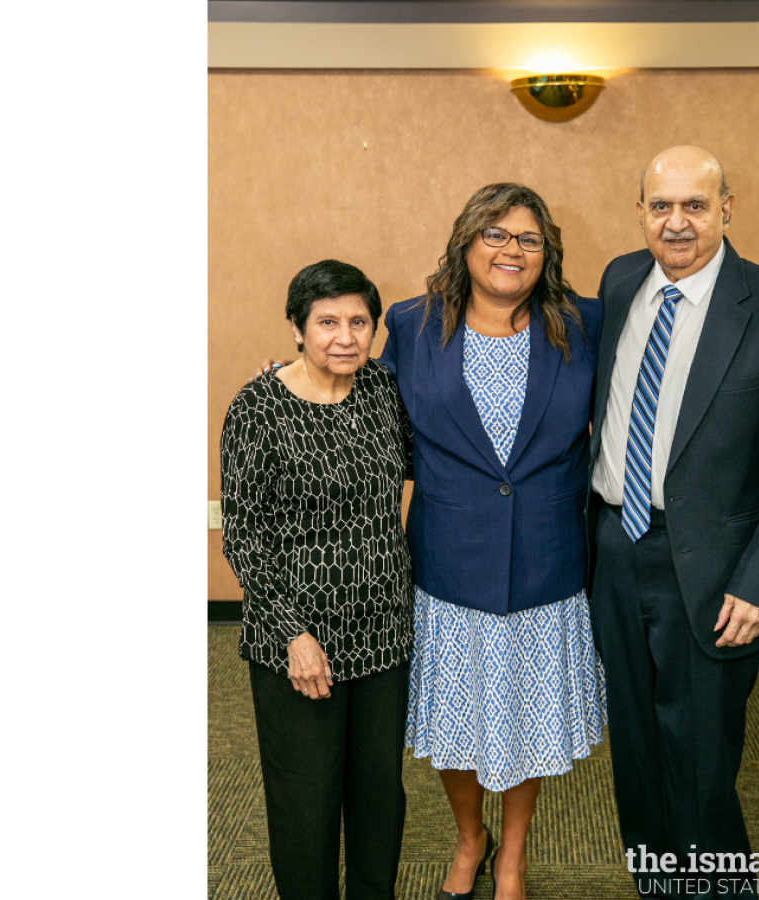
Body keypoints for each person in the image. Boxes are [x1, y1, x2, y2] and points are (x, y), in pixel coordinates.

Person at [587, 146, 759, 900]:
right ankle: (657, 889)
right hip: (614, 549)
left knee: (699, 762)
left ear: (727, 208)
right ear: (640, 213)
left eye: (696, 205)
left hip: (718, 575)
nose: (678, 222)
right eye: (662, 206)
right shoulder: (621, 280)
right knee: (634, 749)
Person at [381, 183, 606, 900]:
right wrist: (295, 385)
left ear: (549, 253)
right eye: (496, 235)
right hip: (450, 558)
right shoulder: (413, 324)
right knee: (457, 717)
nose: (512, 250)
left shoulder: (585, 322)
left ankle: (511, 855)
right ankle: (469, 838)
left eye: (529, 239)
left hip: (547, 557)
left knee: (530, 718)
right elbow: (375, 420)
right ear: (466, 242)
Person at [221, 259, 414, 900]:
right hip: (300, 642)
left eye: (359, 321)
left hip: (383, 635)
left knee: (379, 801)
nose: (345, 336)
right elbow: (244, 535)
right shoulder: (258, 408)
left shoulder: (384, 391)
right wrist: (292, 634)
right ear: (297, 330)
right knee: (305, 808)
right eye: (327, 321)